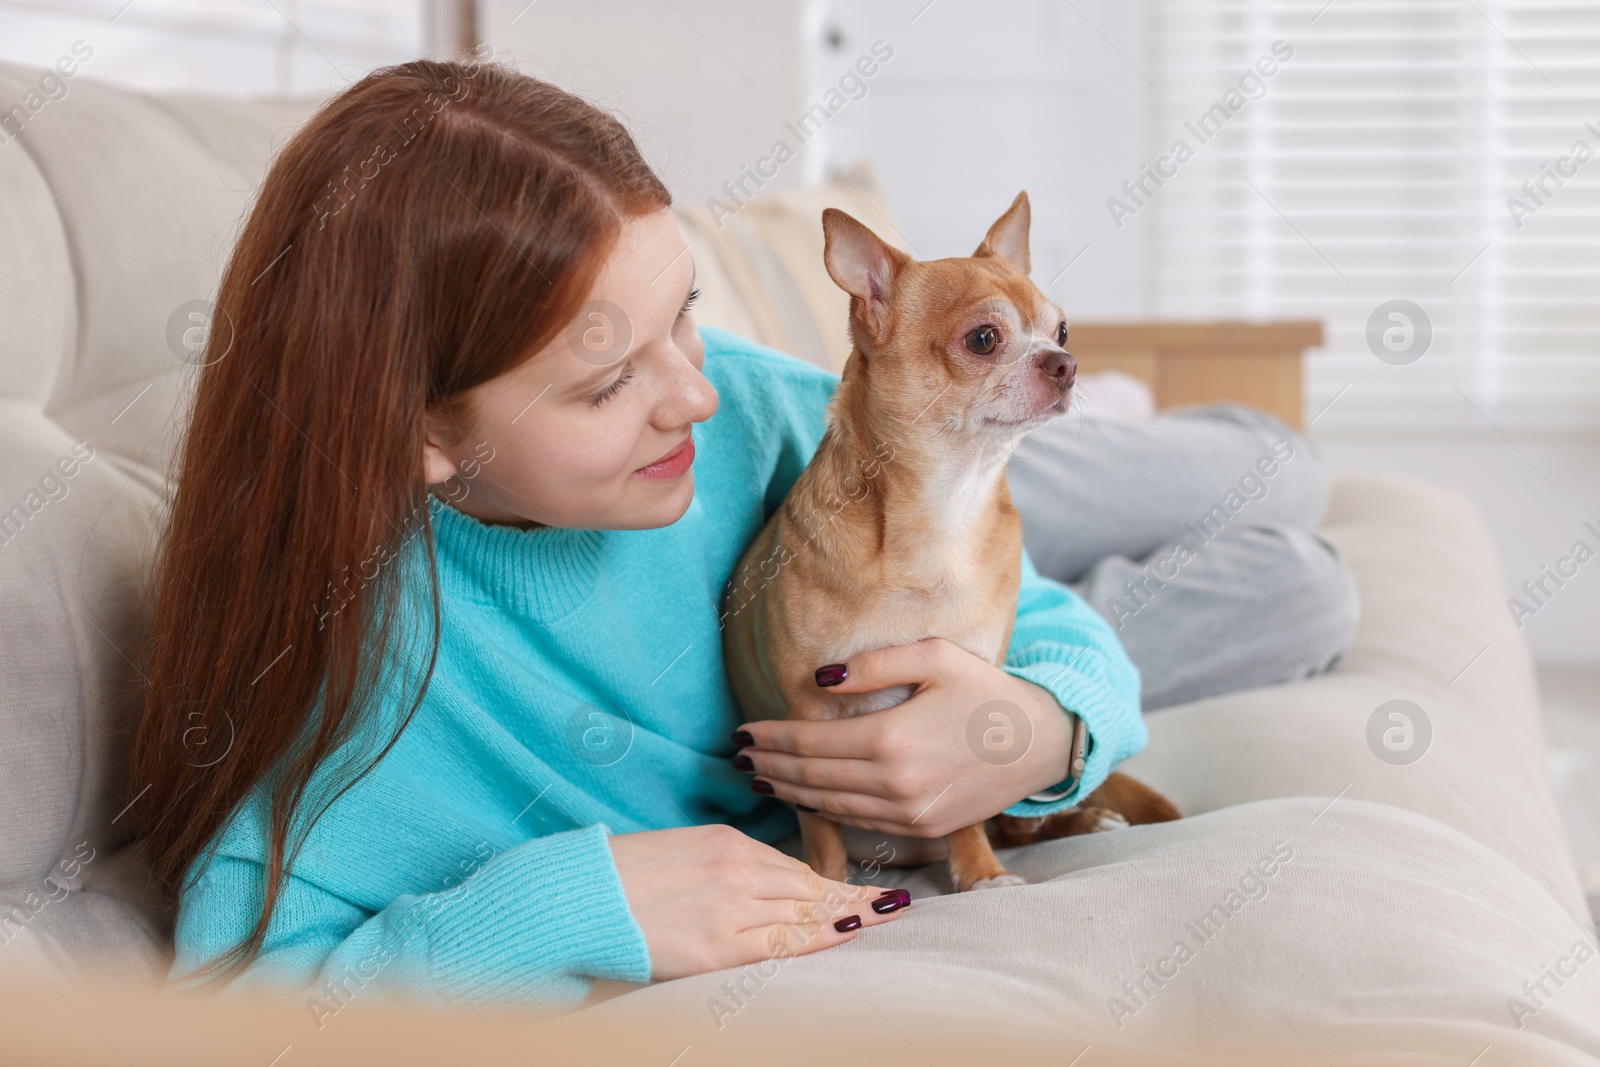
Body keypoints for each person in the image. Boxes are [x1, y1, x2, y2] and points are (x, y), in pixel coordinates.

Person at [128, 58, 1354, 1016]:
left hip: (883, 467)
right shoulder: (365, 669)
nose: (689, 395)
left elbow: (1035, 625)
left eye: (686, 317)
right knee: (1297, 590)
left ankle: (1141, 447)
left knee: (1274, 467)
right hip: (874, 563)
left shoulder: (746, 407)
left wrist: (1031, 725)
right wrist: (578, 900)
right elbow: (240, 1004)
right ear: (418, 436)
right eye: (606, 380)